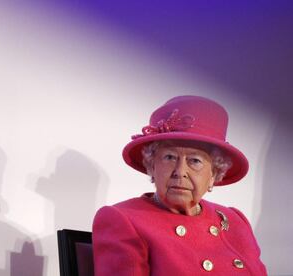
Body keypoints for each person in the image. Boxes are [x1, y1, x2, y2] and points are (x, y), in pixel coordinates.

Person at [92, 96, 267, 275]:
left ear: (214, 174)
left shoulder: (235, 221)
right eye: (170, 157)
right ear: (152, 166)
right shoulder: (123, 219)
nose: (180, 171)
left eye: (194, 160)